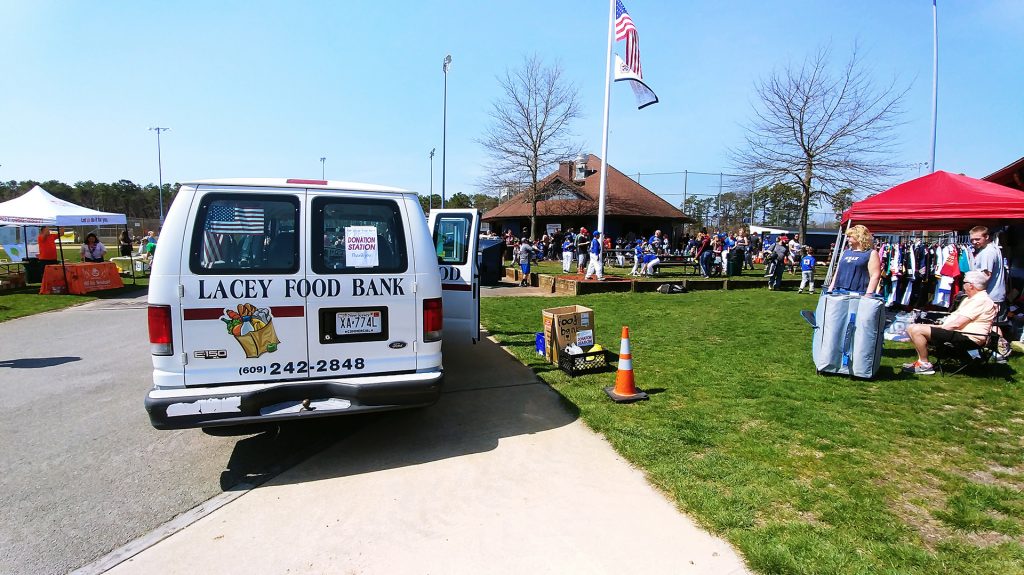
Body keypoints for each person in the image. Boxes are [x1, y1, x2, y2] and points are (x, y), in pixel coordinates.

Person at [902, 270, 998, 375]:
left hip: (969, 337)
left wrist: (938, 329)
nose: (963, 285)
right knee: (912, 327)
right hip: (959, 332)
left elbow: (957, 324)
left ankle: (924, 365)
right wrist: (936, 327)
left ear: (971, 286)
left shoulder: (981, 300)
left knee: (917, 330)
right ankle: (921, 361)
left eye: (964, 283)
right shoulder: (971, 299)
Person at [969, 225, 1010, 358]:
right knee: (991, 324)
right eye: (972, 240)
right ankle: (995, 352)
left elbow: (985, 275)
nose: (974, 242)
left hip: (991, 295)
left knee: (991, 325)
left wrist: (973, 290)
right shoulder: (992, 249)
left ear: (986, 237)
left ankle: (1000, 352)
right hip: (993, 294)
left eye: (977, 239)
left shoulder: (987, 252)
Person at [828, 225, 881, 295]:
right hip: (838, 291)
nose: (847, 239)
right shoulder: (845, 252)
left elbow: (875, 275)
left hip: (858, 292)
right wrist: (830, 288)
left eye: (850, 236)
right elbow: (838, 271)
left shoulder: (871, 253)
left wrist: (868, 294)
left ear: (859, 237)